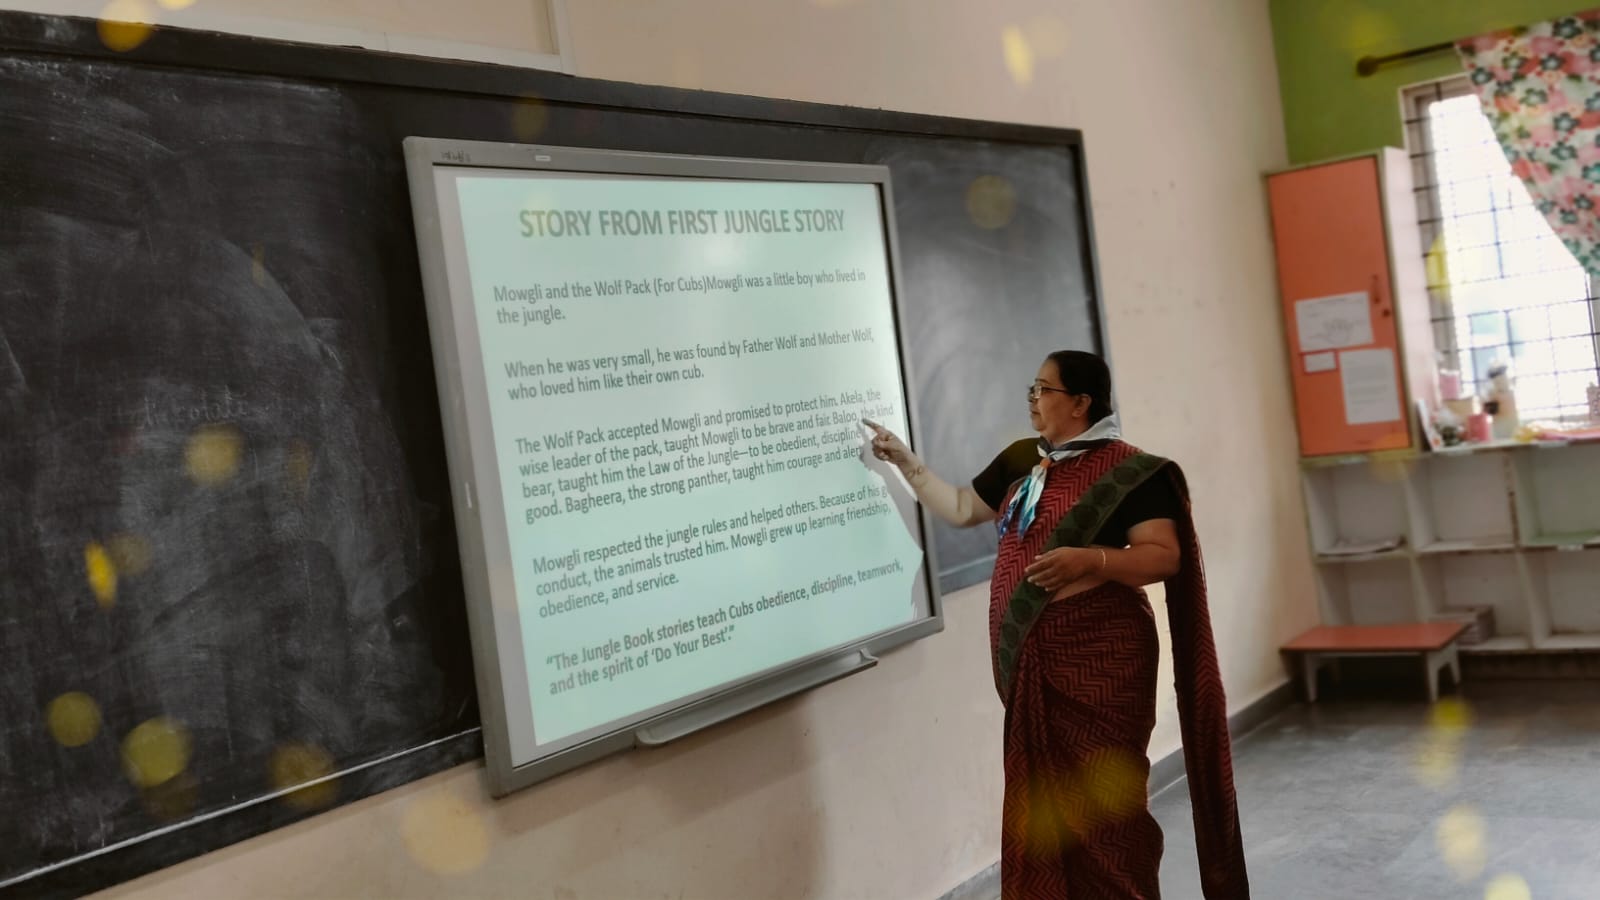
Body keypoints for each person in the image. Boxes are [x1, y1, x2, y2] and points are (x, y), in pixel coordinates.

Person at [865, 350, 1248, 900]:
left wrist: (1091, 560)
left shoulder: (1133, 472)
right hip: (1034, 666)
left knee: (1109, 817)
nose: (1033, 398)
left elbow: (1164, 555)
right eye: (1033, 387)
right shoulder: (1022, 459)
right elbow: (962, 508)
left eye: (1044, 389)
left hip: (1103, 663)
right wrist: (906, 463)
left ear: (1080, 402)